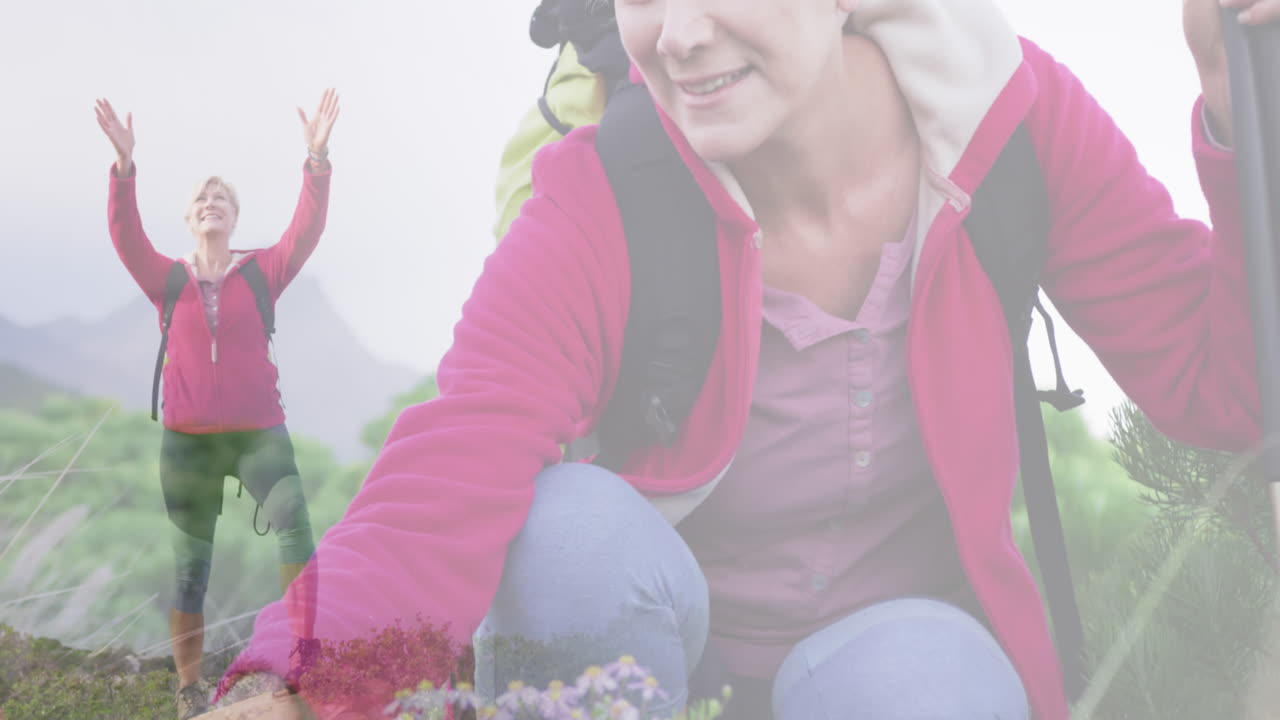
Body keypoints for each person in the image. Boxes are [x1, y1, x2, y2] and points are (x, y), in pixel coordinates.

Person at [218, 0, 1275, 718]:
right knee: (563, 537)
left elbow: (1227, 389)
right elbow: (449, 474)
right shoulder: (607, 188)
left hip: (894, 661)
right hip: (643, 640)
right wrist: (284, 692)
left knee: (931, 684)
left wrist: (1241, 108)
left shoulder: (1002, 124)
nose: (678, 34)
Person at [94, 89, 340, 719]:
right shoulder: (167, 279)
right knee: (190, 570)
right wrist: (124, 167)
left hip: (259, 434)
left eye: (221, 199)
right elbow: (125, 236)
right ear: (190, 219)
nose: (211, 204)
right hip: (188, 442)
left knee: (297, 530)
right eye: (202, 199)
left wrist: (316, 159)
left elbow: (306, 228)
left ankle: (303, 661)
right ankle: (188, 688)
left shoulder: (262, 271)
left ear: (233, 218)